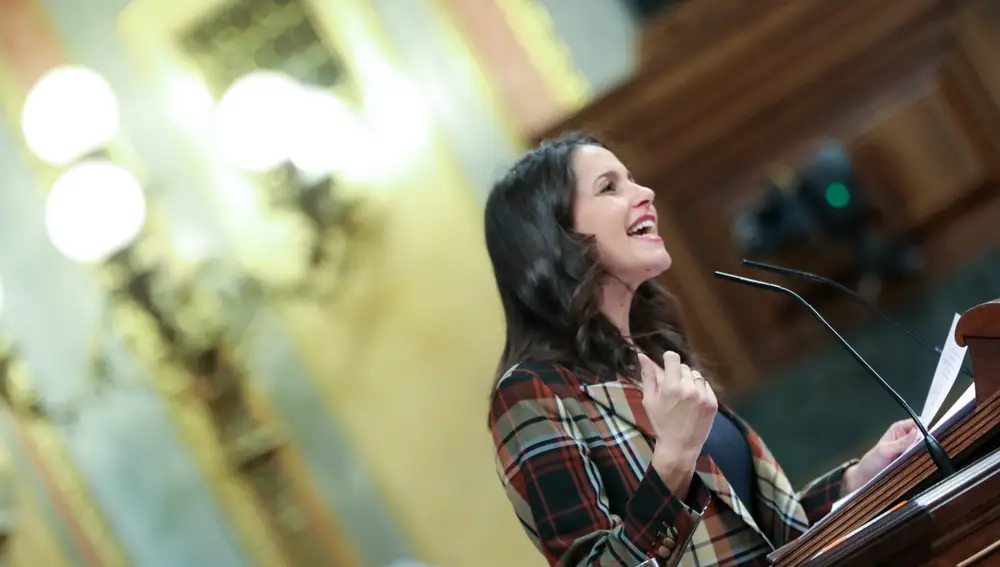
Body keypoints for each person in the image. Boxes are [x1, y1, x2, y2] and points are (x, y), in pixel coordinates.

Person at [484, 133, 919, 567]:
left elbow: (753, 542)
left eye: (632, 179)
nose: (646, 194)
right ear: (554, 238)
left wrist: (854, 481)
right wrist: (673, 460)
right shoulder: (532, 393)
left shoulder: (653, 353)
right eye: (610, 187)